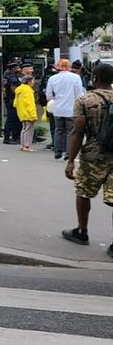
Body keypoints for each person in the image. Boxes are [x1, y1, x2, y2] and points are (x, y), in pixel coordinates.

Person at [61, 63, 113, 256]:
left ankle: (82, 231)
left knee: (83, 191)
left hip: (94, 154)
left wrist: (70, 160)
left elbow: (77, 132)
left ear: (94, 78)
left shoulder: (85, 100)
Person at [47, 58, 87, 160]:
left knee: (58, 130)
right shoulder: (75, 78)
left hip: (58, 109)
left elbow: (49, 95)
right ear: (69, 67)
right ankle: (69, 153)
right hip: (71, 109)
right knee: (71, 131)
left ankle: (58, 151)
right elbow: (79, 95)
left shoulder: (52, 79)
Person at [15, 75, 38, 152]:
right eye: (33, 81)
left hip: (21, 112)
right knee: (29, 130)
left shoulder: (19, 90)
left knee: (24, 129)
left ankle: (23, 145)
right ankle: (27, 146)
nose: (34, 82)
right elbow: (30, 103)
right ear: (29, 82)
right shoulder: (28, 90)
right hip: (28, 113)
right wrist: (33, 115)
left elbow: (15, 103)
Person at [2, 59, 23, 145]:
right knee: (12, 119)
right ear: (13, 68)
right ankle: (10, 137)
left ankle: (11, 136)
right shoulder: (13, 78)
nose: (19, 68)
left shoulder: (6, 76)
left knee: (12, 119)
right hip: (13, 100)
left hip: (9, 100)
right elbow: (14, 90)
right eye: (17, 67)